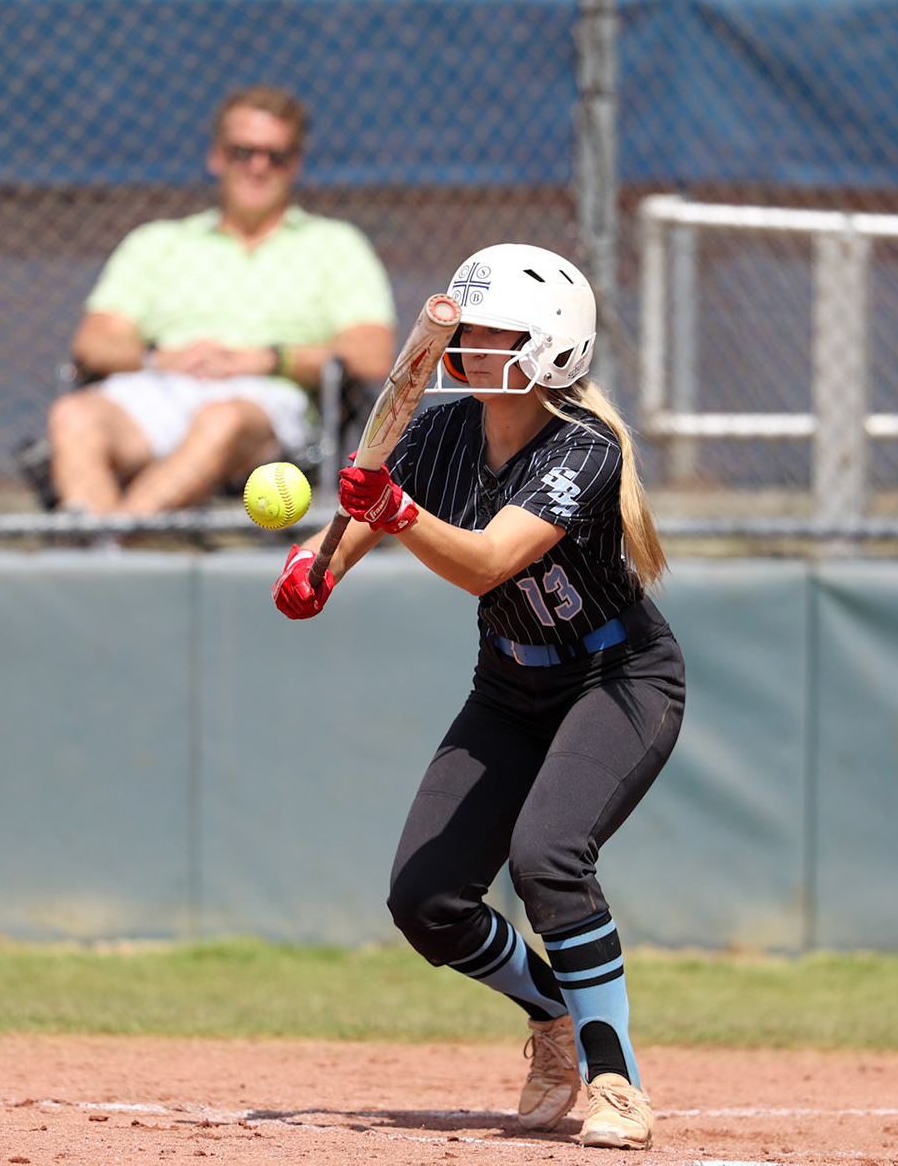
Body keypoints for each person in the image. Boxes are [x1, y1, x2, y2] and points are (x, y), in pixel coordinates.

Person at [272, 244, 685, 1151]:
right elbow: (366, 510)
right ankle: (552, 1017)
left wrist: (397, 515)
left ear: (552, 347)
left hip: (616, 678)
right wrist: (319, 568)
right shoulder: (444, 428)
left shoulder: (585, 447)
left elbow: (491, 559)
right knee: (426, 901)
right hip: (508, 681)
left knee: (549, 856)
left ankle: (617, 1081)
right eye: (474, 326)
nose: (471, 343)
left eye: (500, 330)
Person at [47, 86, 396, 515]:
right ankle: (105, 554)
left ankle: (107, 547)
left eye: (276, 155)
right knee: (73, 415)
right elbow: (94, 341)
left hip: (266, 402)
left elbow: (372, 354)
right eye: (242, 152)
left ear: (296, 165)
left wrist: (267, 359)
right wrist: (163, 358)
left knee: (220, 418)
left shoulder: (336, 246)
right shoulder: (155, 242)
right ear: (217, 157)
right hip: (159, 384)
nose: (258, 167)